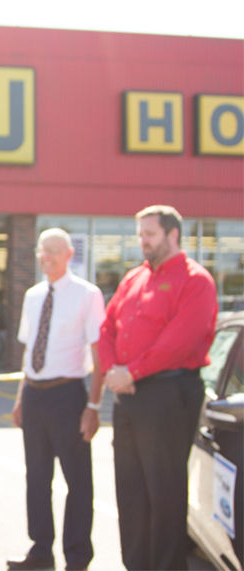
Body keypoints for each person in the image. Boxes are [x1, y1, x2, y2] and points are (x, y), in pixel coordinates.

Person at [99, 204, 218, 570]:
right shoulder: (134, 278)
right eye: (140, 235)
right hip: (129, 396)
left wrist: (130, 372)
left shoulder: (196, 281)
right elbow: (106, 329)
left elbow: (178, 342)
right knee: (131, 492)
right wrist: (111, 372)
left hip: (168, 394)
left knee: (164, 494)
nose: (143, 242)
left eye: (149, 234)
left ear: (172, 234)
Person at [7, 228, 105, 571]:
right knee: (36, 477)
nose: (45, 257)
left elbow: (99, 353)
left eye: (52, 250)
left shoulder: (87, 295)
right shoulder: (33, 296)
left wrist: (93, 406)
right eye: (40, 251)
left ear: (68, 254)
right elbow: (29, 350)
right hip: (35, 395)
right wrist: (21, 397)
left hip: (69, 395)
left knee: (77, 480)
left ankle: (77, 557)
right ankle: (40, 550)